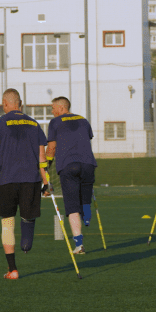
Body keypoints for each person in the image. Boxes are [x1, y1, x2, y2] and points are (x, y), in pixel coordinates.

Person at [0, 89, 49, 280]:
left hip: (6, 180)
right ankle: (26, 243)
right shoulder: (34, 124)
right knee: (28, 217)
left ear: (5, 103)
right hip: (31, 179)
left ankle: (13, 270)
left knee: (7, 223)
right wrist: (46, 183)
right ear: (20, 103)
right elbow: (42, 158)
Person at [46, 96, 97, 254]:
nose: (52, 111)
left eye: (53, 108)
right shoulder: (83, 120)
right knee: (85, 195)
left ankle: (79, 244)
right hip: (88, 164)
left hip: (68, 165)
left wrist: (46, 167)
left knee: (72, 206)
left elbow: (52, 148)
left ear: (61, 108)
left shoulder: (55, 123)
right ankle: (87, 217)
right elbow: (86, 139)